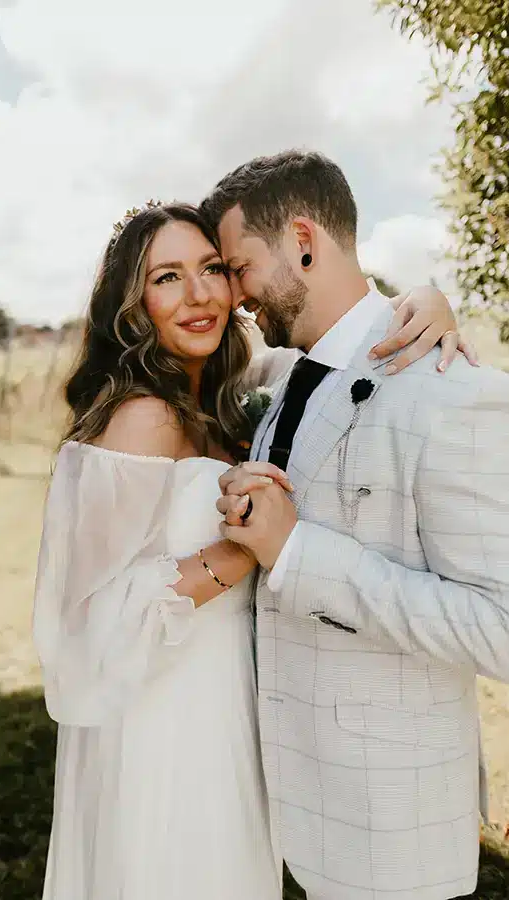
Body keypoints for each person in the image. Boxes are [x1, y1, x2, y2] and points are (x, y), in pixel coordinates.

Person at [32, 199, 470, 900]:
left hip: (227, 708)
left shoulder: (227, 396)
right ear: (132, 303)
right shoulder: (141, 417)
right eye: (167, 278)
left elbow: (336, 343)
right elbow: (89, 620)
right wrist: (241, 555)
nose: (200, 294)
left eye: (212, 268)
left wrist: (424, 303)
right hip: (162, 730)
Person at [206, 150, 509, 900]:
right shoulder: (290, 374)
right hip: (295, 818)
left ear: (303, 239)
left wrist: (299, 553)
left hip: (391, 839)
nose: (234, 295)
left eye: (239, 267)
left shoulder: (450, 395)